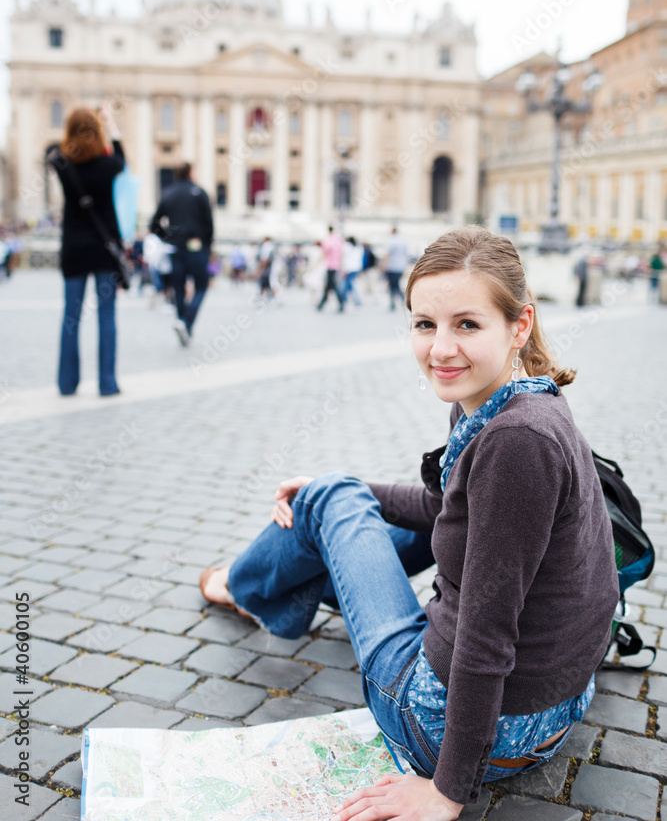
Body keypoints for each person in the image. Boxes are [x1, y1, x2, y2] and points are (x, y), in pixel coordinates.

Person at [199, 227, 618, 818]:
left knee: (328, 497)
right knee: (337, 492)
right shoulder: (519, 399)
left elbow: (485, 632)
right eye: (425, 324)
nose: (441, 349)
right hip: (555, 703)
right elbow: (442, 511)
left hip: (448, 726)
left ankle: (242, 588)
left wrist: (447, 794)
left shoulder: (515, 443)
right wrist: (353, 490)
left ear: (518, 325)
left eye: (467, 325)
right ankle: (269, 582)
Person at [48, 103, 124, 396]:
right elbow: (119, 154)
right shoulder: (109, 166)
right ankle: (107, 382)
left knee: (71, 317)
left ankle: (67, 383)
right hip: (104, 248)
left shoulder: (61, 163)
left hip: (74, 247)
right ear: (97, 131)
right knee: (106, 316)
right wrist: (109, 123)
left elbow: (57, 150)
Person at [150, 163, 213, 346]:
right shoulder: (199, 192)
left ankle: (181, 321)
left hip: (175, 248)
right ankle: (186, 321)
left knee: (178, 288)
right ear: (190, 173)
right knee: (201, 286)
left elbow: (154, 224)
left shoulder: (168, 193)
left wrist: (168, 238)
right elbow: (208, 223)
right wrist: (207, 245)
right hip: (196, 247)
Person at [317, 226, 345, 312]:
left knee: (332, 286)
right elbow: (342, 254)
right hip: (336, 266)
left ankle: (339, 303)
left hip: (330, 266)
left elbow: (324, 252)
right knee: (330, 285)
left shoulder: (328, 240)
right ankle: (322, 304)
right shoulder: (339, 240)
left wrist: (317, 264)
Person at [384, 227, 408, 310]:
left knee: (392, 285)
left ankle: (394, 302)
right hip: (401, 266)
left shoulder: (391, 240)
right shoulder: (403, 240)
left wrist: (384, 266)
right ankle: (402, 301)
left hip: (392, 266)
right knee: (396, 284)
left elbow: (388, 254)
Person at [339, 236, 364, 307]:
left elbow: (343, 258)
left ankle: (352, 300)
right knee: (349, 284)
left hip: (348, 269)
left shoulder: (346, 247)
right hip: (356, 268)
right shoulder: (359, 247)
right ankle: (344, 300)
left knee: (348, 285)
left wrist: (342, 269)